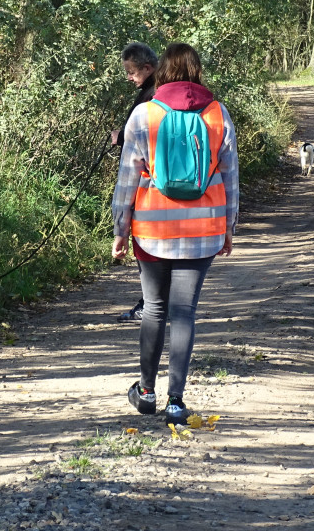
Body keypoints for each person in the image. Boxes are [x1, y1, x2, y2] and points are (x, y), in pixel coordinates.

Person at [111, 43, 239, 425]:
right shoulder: (218, 113)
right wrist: (229, 226)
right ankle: (177, 401)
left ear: (161, 71)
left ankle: (146, 392)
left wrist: (120, 229)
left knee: (154, 308)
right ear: (197, 71)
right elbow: (230, 175)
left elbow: (127, 178)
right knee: (184, 312)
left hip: (152, 230)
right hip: (204, 228)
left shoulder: (143, 114)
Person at [113, 42, 158, 322]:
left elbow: (142, 145)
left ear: (147, 68)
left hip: (147, 192)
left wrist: (120, 224)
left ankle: (149, 306)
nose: (129, 77)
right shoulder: (150, 91)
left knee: (150, 253)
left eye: (131, 72)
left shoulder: (151, 97)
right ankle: (151, 304)